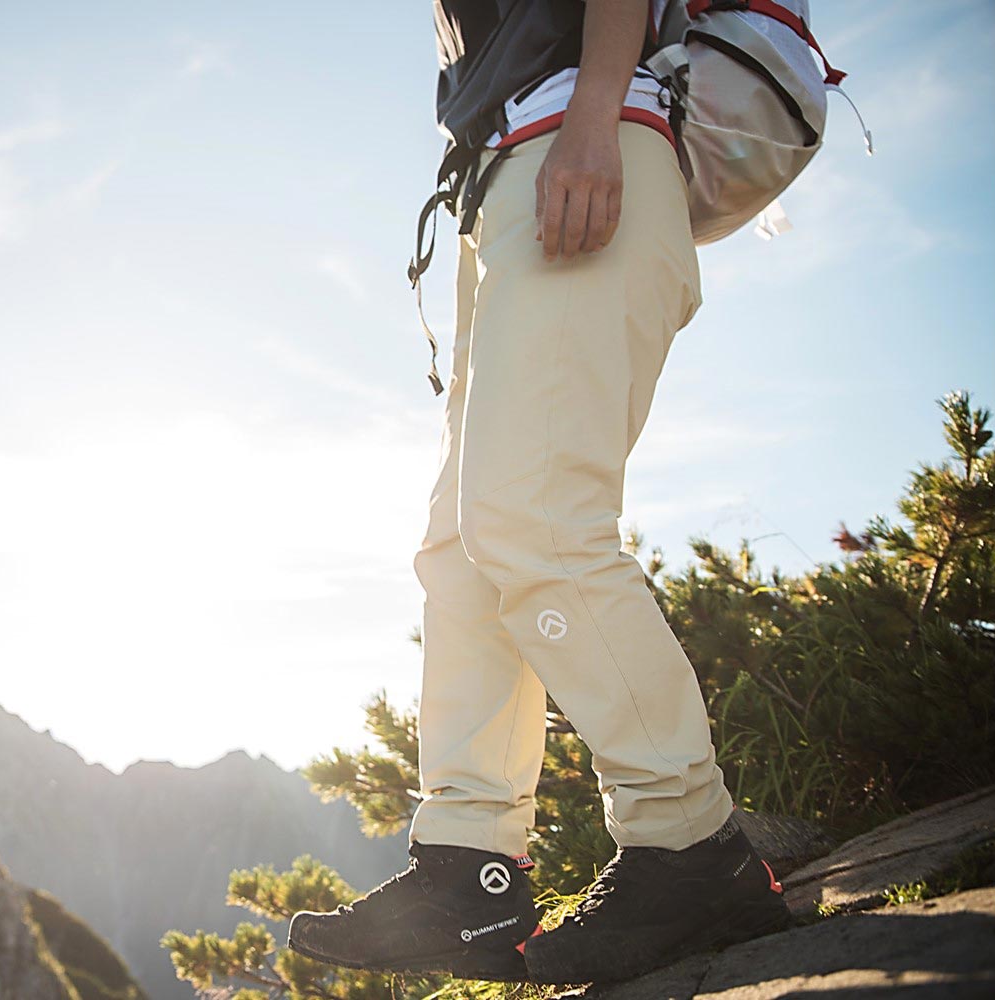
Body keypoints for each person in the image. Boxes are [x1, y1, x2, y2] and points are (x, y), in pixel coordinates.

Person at [285, 0, 791, 985]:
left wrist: (595, 115)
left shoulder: (592, 122)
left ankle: (689, 844)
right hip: (505, 179)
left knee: (535, 520)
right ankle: (467, 868)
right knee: (461, 545)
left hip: (584, 141)